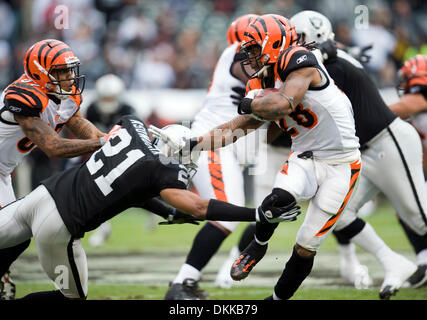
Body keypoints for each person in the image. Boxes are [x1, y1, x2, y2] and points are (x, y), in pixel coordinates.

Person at [158, 13, 363, 300]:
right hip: (303, 155)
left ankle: (277, 299)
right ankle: (257, 245)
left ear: (274, 42)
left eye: (254, 48)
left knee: (305, 245)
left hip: (341, 163)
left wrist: (248, 103)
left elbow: (282, 104)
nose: (249, 55)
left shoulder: (298, 58)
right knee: (276, 201)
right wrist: (195, 144)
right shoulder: (259, 81)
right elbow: (236, 128)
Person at [0, 114, 300, 300]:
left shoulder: (132, 126)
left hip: (39, 197)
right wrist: (257, 213)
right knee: (71, 297)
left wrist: (166, 211)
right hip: (59, 226)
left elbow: (132, 189)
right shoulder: (160, 169)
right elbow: (198, 207)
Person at [231, 10, 421, 297]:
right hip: (353, 152)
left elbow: (313, 65)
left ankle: (419, 259)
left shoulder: (312, 62)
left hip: (385, 141)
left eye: (297, 38)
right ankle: (393, 262)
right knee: (341, 217)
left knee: (418, 214)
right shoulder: (318, 59)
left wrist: (252, 109)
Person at [163, 14, 261, 300]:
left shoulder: (243, 55)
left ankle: (187, 282)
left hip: (226, 145)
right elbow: (265, 85)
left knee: (231, 213)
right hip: (213, 144)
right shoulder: (236, 55)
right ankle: (182, 283)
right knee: (226, 214)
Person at [0, 39, 107, 300]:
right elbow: (53, 147)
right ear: (40, 72)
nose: (70, 77)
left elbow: (79, 124)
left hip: (3, 172)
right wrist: (103, 142)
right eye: (62, 71)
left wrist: (112, 141)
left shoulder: (64, 95)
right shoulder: (24, 95)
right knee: (14, 232)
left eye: (71, 70)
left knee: (15, 236)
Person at [388, 54, 427, 288]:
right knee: (406, 207)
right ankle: (424, 262)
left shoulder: (419, 100)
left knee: (414, 208)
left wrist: (371, 113)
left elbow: (412, 104)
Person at [84, 73, 136, 247]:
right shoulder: (91, 109)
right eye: (104, 98)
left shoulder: (127, 109)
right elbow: (85, 136)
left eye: (110, 98)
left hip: (124, 154)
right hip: (98, 154)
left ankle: (160, 212)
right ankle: (102, 225)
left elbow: (136, 136)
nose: (107, 102)